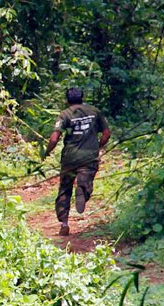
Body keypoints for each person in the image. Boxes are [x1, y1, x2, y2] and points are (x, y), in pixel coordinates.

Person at [42, 88, 110, 236]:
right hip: (89, 156)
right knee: (86, 179)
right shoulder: (94, 111)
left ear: (67, 100)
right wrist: (97, 147)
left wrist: (46, 152)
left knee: (65, 189)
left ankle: (64, 224)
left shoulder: (65, 114)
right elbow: (106, 134)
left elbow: (54, 138)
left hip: (69, 157)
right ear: (82, 98)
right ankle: (83, 190)